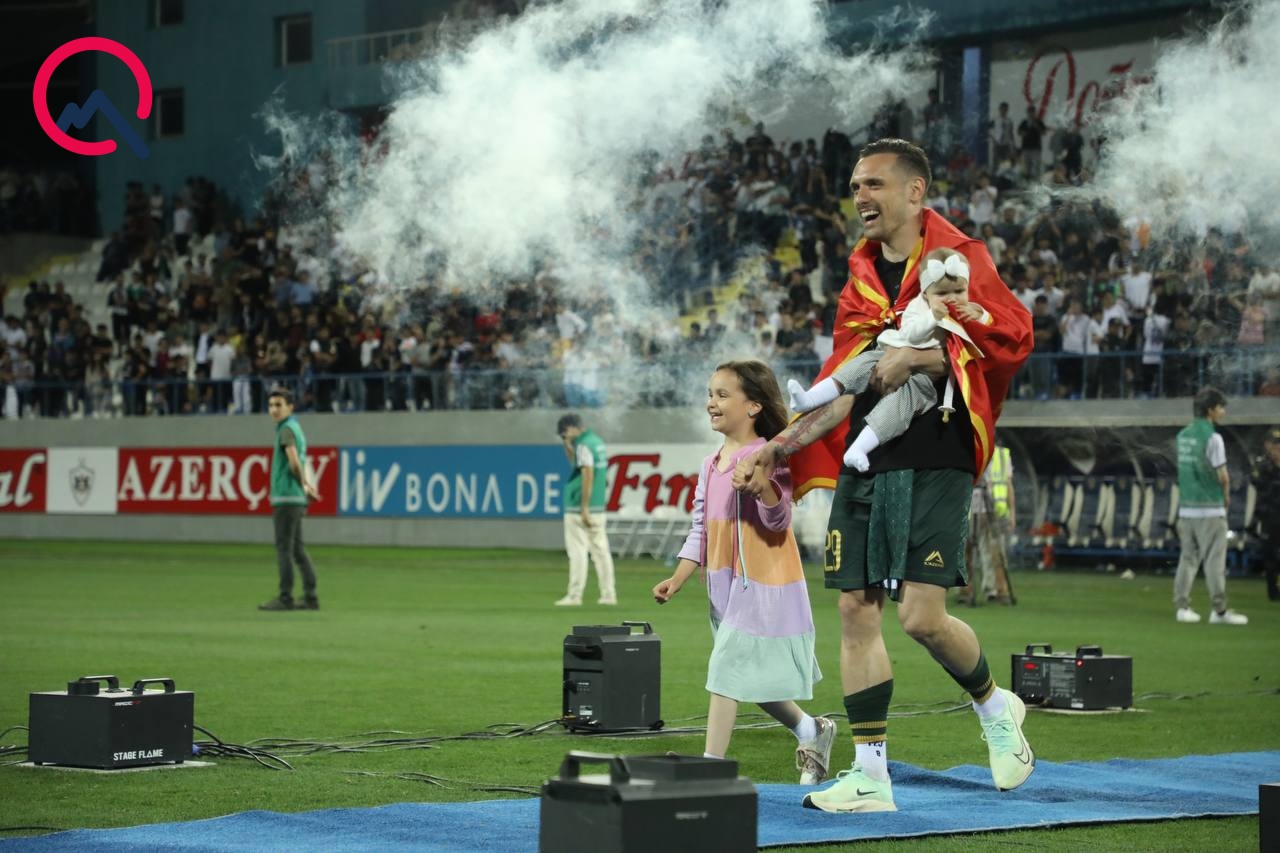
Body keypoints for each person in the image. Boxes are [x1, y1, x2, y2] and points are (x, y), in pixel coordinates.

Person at [733, 138, 1034, 813]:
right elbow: (845, 382)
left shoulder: (960, 259)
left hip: (937, 452)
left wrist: (920, 360)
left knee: (922, 618)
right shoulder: (860, 278)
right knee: (854, 607)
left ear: (915, 191)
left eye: (873, 184)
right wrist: (777, 447)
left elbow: (1008, 339)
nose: (860, 197)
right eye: (855, 187)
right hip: (867, 456)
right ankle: (871, 776)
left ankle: (994, 706)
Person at [653, 360, 834, 784]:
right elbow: (700, 530)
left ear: (753, 406)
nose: (711, 402)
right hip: (724, 588)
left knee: (725, 673)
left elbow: (778, 520)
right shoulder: (709, 464)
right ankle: (812, 730)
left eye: (722, 394)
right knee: (750, 681)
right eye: (710, 394)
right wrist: (677, 579)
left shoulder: (770, 455)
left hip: (764, 585)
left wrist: (762, 486)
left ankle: (710, 771)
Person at [786, 247, 988, 473]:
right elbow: (911, 334)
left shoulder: (968, 309)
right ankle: (808, 399)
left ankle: (859, 448)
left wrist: (979, 316)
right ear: (925, 294)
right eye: (941, 294)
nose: (952, 298)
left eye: (959, 291)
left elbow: (985, 335)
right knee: (856, 366)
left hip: (924, 379)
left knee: (896, 410)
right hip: (891, 352)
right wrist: (933, 317)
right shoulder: (918, 308)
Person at [1174, 388, 1247, 625]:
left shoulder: (1182, 435)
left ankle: (1182, 608)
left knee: (1187, 559)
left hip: (1187, 508)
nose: (1223, 412)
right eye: (1220, 407)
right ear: (1210, 410)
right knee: (1215, 561)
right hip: (1210, 508)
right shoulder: (1213, 438)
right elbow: (1223, 476)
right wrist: (1226, 497)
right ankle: (1219, 611)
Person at [260, 386, 320, 611]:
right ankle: (311, 597)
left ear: (290, 407)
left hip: (286, 497)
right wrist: (306, 487)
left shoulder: (286, 430)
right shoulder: (295, 427)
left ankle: (285, 597)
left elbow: (294, 462)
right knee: (297, 550)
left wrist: (303, 485)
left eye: (279, 405)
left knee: (284, 549)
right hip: (295, 498)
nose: (274, 409)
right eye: (271, 405)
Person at [554, 413, 617, 606]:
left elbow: (587, 474)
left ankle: (575, 595)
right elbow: (578, 464)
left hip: (579, 507)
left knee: (577, 552)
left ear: (571, 428)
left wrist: (584, 508)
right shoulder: (596, 442)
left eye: (565, 432)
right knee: (601, 552)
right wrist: (567, 445)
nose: (565, 436)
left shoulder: (583, 445)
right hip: (598, 506)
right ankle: (609, 595)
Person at [960, 438, 1015, 605]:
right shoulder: (967, 451)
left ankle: (998, 590)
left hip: (992, 509)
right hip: (971, 507)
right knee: (966, 550)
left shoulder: (1000, 455)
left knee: (995, 551)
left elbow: (1008, 485)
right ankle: (966, 590)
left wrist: (1011, 513)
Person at [1250, 427, 1280, 602]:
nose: (1277, 448)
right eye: (1274, 444)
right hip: (1269, 516)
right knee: (1270, 556)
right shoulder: (1262, 465)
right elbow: (1259, 486)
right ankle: (1272, 591)